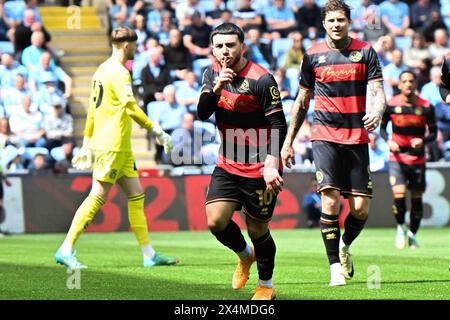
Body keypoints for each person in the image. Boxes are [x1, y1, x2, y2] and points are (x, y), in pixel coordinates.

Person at [53, 27, 178, 269]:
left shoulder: (101, 70)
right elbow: (130, 107)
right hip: (112, 145)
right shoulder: (119, 73)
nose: (136, 49)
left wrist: (87, 142)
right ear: (125, 46)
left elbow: (92, 109)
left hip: (120, 146)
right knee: (97, 196)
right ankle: (66, 248)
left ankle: (148, 254)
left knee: (136, 195)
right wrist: (158, 131)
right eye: (134, 45)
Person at [281, 0, 386, 286]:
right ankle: (334, 269)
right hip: (324, 135)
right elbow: (301, 101)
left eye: (341, 20)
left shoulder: (365, 51)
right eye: (331, 21)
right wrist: (288, 141)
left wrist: (376, 111)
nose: (336, 24)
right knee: (329, 199)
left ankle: (345, 246)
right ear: (324, 24)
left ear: (348, 22)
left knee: (360, 209)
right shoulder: (312, 55)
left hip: (357, 137)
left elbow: (378, 91)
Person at [197, 22, 287, 300]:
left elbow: (278, 124)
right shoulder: (211, 73)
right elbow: (202, 113)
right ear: (212, 48)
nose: (225, 51)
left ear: (242, 47)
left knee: (258, 228)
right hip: (228, 163)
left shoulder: (262, 79)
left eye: (231, 45)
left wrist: (272, 163)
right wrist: (217, 87)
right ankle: (244, 255)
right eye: (220, 45)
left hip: (261, 166)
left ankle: (266, 285)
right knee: (216, 221)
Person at [380, 71, 437, 249]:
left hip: (417, 158)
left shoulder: (427, 106)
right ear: (400, 85)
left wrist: (423, 140)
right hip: (397, 158)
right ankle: (400, 227)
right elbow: (382, 129)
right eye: (405, 81)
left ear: (416, 84)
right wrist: (389, 141)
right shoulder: (391, 104)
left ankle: (412, 234)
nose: (408, 84)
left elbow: (434, 133)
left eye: (411, 81)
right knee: (399, 194)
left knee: (417, 197)